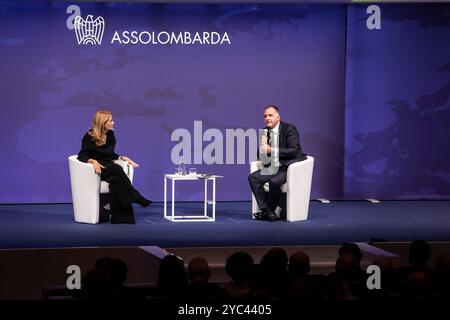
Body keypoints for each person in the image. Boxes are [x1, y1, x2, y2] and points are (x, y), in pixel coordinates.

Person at [77, 110, 151, 224]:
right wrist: (93, 161)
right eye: (111, 120)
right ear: (102, 123)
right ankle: (135, 196)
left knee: (117, 183)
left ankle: (122, 218)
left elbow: (110, 155)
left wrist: (122, 157)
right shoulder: (89, 135)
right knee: (116, 169)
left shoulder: (110, 135)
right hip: (95, 171)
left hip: (109, 168)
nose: (114, 122)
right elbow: (81, 155)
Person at [248, 105, 306, 221]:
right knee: (253, 178)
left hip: (288, 166)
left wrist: (272, 149)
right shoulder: (265, 132)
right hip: (273, 167)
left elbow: (294, 150)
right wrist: (262, 148)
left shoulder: (289, 129)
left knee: (274, 181)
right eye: (265, 116)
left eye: (270, 115)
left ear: (278, 117)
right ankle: (268, 211)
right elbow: (262, 159)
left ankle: (272, 210)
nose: (267, 118)